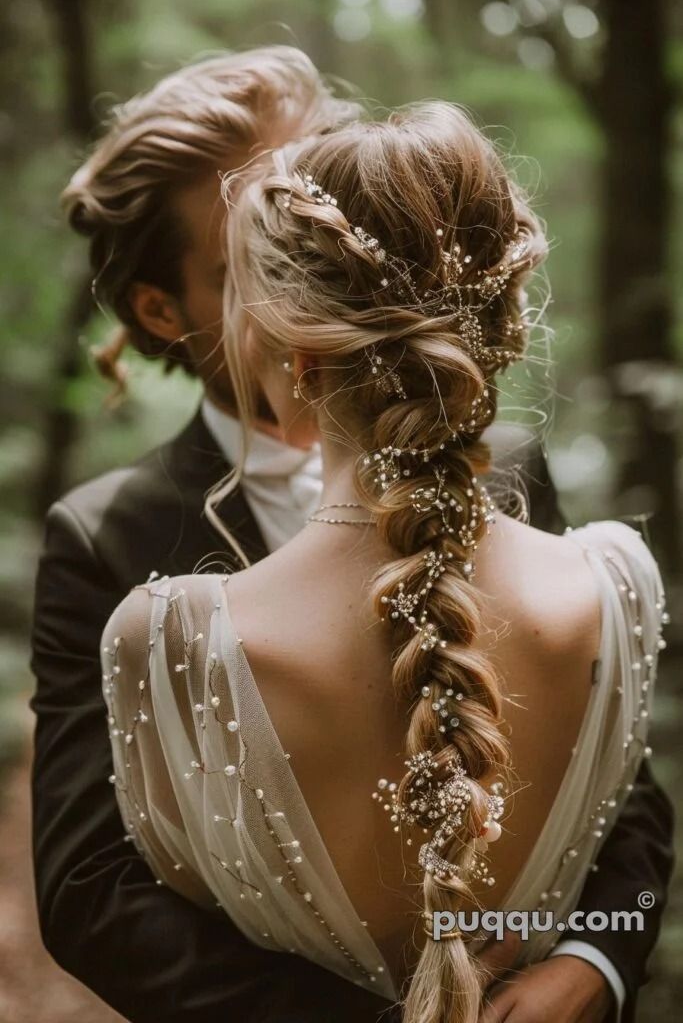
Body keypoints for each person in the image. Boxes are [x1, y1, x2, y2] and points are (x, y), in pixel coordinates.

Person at [97, 100, 673, 1023]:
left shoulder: (167, 640)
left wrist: (593, 962)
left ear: (296, 351)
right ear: (500, 325)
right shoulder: (615, 587)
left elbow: (178, 897)